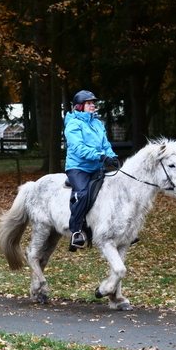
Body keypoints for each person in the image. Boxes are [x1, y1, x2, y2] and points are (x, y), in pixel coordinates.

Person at [63, 90, 119, 251]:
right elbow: (79, 148)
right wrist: (101, 157)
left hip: (96, 166)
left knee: (115, 189)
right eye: (89, 103)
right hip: (78, 167)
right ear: (80, 106)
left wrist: (111, 156)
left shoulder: (97, 123)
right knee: (82, 194)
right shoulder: (73, 124)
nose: (93, 105)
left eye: (93, 103)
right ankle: (76, 231)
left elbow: (105, 145)